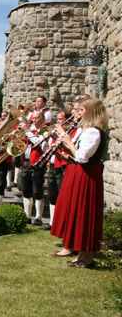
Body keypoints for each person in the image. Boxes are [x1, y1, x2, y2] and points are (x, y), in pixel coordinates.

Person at [50, 97, 109, 268]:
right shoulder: (87, 130)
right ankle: (82, 254)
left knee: (85, 212)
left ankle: (87, 257)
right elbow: (76, 154)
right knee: (77, 211)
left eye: (82, 110)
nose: (78, 113)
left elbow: (82, 157)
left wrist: (66, 139)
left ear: (91, 112)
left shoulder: (94, 132)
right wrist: (62, 146)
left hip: (86, 175)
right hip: (81, 173)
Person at [43, 109, 73, 230]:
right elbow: (45, 148)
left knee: (62, 195)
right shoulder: (57, 134)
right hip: (53, 165)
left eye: (60, 119)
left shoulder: (69, 133)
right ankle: (52, 223)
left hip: (63, 166)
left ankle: (62, 224)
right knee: (52, 195)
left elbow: (69, 148)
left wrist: (58, 136)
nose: (58, 122)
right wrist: (48, 139)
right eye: (58, 119)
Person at [19, 110, 48, 225]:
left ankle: (38, 217)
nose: (34, 120)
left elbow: (37, 142)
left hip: (37, 162)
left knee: (37, 191)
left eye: (36, 118)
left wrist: (26, 130)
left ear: (42, 119)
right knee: (26, 191)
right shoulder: (30, 129)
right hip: (25, 161)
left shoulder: (45, 130)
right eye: (33, 118)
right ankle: (27, 215)